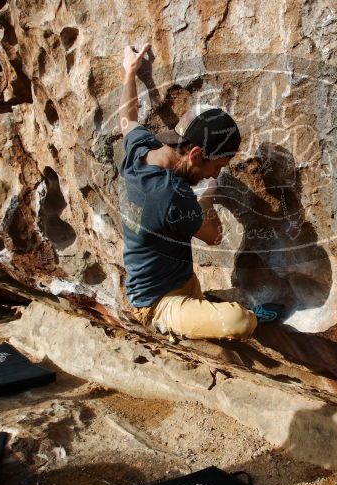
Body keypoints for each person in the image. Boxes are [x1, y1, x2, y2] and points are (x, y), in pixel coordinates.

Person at [118, 43, 281, 341]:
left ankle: (204, 308)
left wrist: (130, 73)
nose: (216, 173)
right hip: (160, 304)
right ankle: (252, 318)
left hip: (179, 280)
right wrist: (208, 197)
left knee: (209, 307)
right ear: (194, 154)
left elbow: (127, 122)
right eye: (217, 165)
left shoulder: (141, 151)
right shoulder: (172, 195)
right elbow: (213, 236)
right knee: (236, 323)